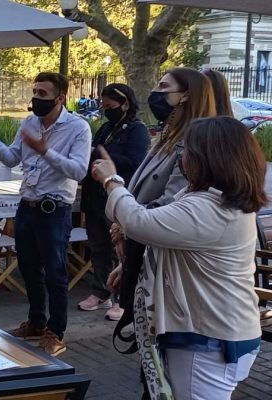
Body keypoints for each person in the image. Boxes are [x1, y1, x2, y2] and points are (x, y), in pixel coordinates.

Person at [93, 116, 264, 400]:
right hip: (220, 332)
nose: (182, 157)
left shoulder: (209, 209)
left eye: (186, 150)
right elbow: (172, 238)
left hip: (208, 341)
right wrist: (130, 266)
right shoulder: (217, 200)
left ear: (209, 158)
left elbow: (138, 221)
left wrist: (112, 181)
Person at [106, 67, 217, 399]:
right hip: (144, 253)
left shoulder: (193, 145)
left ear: (185, 96)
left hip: (165, 273)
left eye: (163, 86)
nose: (156, 91)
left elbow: (171, 206)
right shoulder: (167, 136)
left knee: (159, 371)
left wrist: (119, 200)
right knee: (150, 364)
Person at [0, 72, 91, 356]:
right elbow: (12, 158)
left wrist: (46, 152)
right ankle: (35, 323)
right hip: (27, 206)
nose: (36, 98)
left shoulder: (78, 128)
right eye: (34, 92)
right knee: (28, 268)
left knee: (55, 273)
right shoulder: (29, 123)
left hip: (54, 210)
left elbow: (79, 171)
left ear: (60, 98)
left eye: (42, 94)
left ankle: (55, 332)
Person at [78, 84, 150, 320]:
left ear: (125, 104)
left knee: (121, 248)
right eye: (103, 105)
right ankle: (101, 291)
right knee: (98, 245)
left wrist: (103, 157)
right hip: (95, 194)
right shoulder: (107, 127)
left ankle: (123, 297)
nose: (105, 110)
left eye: (110, 106)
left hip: (117, 194)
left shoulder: (137, 130)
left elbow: (135, 161)